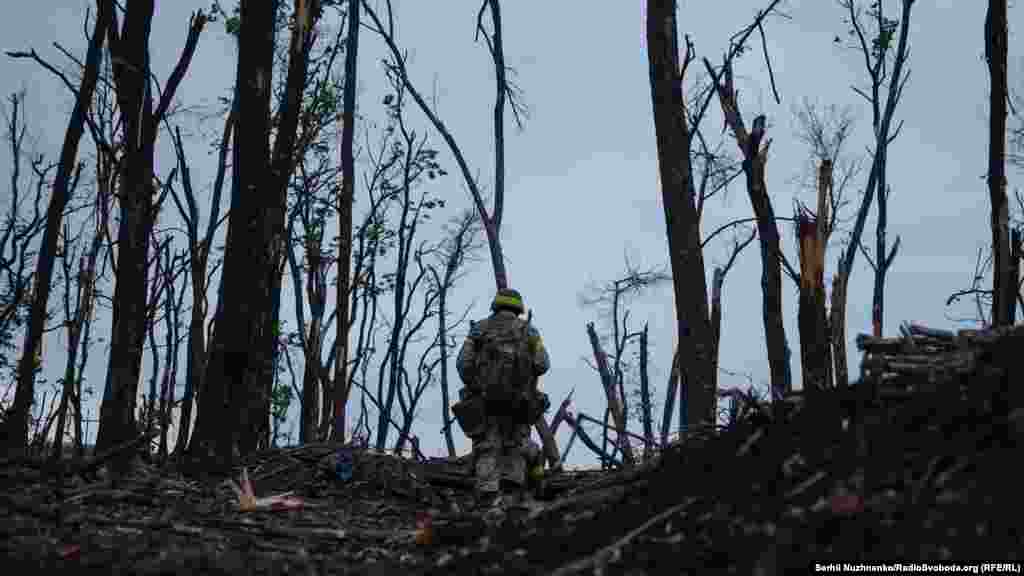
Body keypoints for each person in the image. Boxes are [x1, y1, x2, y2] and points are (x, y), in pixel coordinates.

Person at [456, 288, 549, 526]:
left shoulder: (479, 328)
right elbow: (542, 363)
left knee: (487, 447)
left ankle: (487, 502)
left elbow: (463, 363)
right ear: (518, 308)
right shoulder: (529, 331)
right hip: (519, 404)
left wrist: (477, 385)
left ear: (496, 305)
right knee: (515, 447)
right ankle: (512, 503)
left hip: (485, 403)